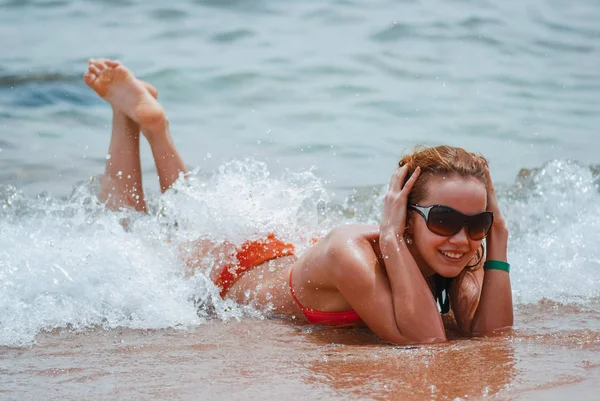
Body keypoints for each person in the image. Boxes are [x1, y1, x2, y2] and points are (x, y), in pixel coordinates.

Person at [84, 58, 513, 345]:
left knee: (184, 221)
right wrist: (389, 234)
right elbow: (428, 341)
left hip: (293, 253)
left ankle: (144, 118)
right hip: (233, 271)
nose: (461, 236)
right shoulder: (353, 251)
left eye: (476, 224)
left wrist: (498, 239)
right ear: (404, 214)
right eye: (443, 219)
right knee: (135, 239)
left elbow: (492, 337)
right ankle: (138, 122)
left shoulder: (458, 253)